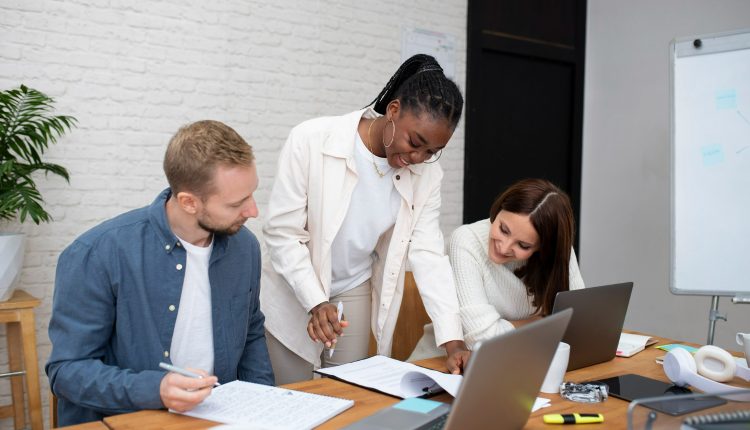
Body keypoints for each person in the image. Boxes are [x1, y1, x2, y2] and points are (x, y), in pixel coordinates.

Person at [46, 120, 274, 426]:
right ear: (189, 202)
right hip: (129, 420)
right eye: (237, 203)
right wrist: (156, 390)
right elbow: (67, 372)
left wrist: (264, 405)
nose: (253, 211)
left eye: (252, 194)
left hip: (222, 417)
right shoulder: (98, 253)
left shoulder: (244, 247)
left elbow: (251, 333)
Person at [261, 54, 470, 384]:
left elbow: (428, 254)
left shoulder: (428, 175)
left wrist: (452, 339)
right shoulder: (312, 138)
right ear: (393, 110)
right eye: (414, 142)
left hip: (352, 285)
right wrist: (315, 302)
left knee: (347, 394)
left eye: (432, 151)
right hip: (293, 285)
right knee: (295, 392)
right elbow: (282, 233)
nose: (418, 158)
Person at [410, 178, 585, 359]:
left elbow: (577, 321)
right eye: (503, 229)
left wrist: (508, 326)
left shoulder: (558, 252)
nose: (504, 247)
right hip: (441, 366)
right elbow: (480, 341)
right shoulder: (466, 241)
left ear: (544, 249)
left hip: (517, 363)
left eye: (523, 245)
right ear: (498, 209)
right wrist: (542, 322)